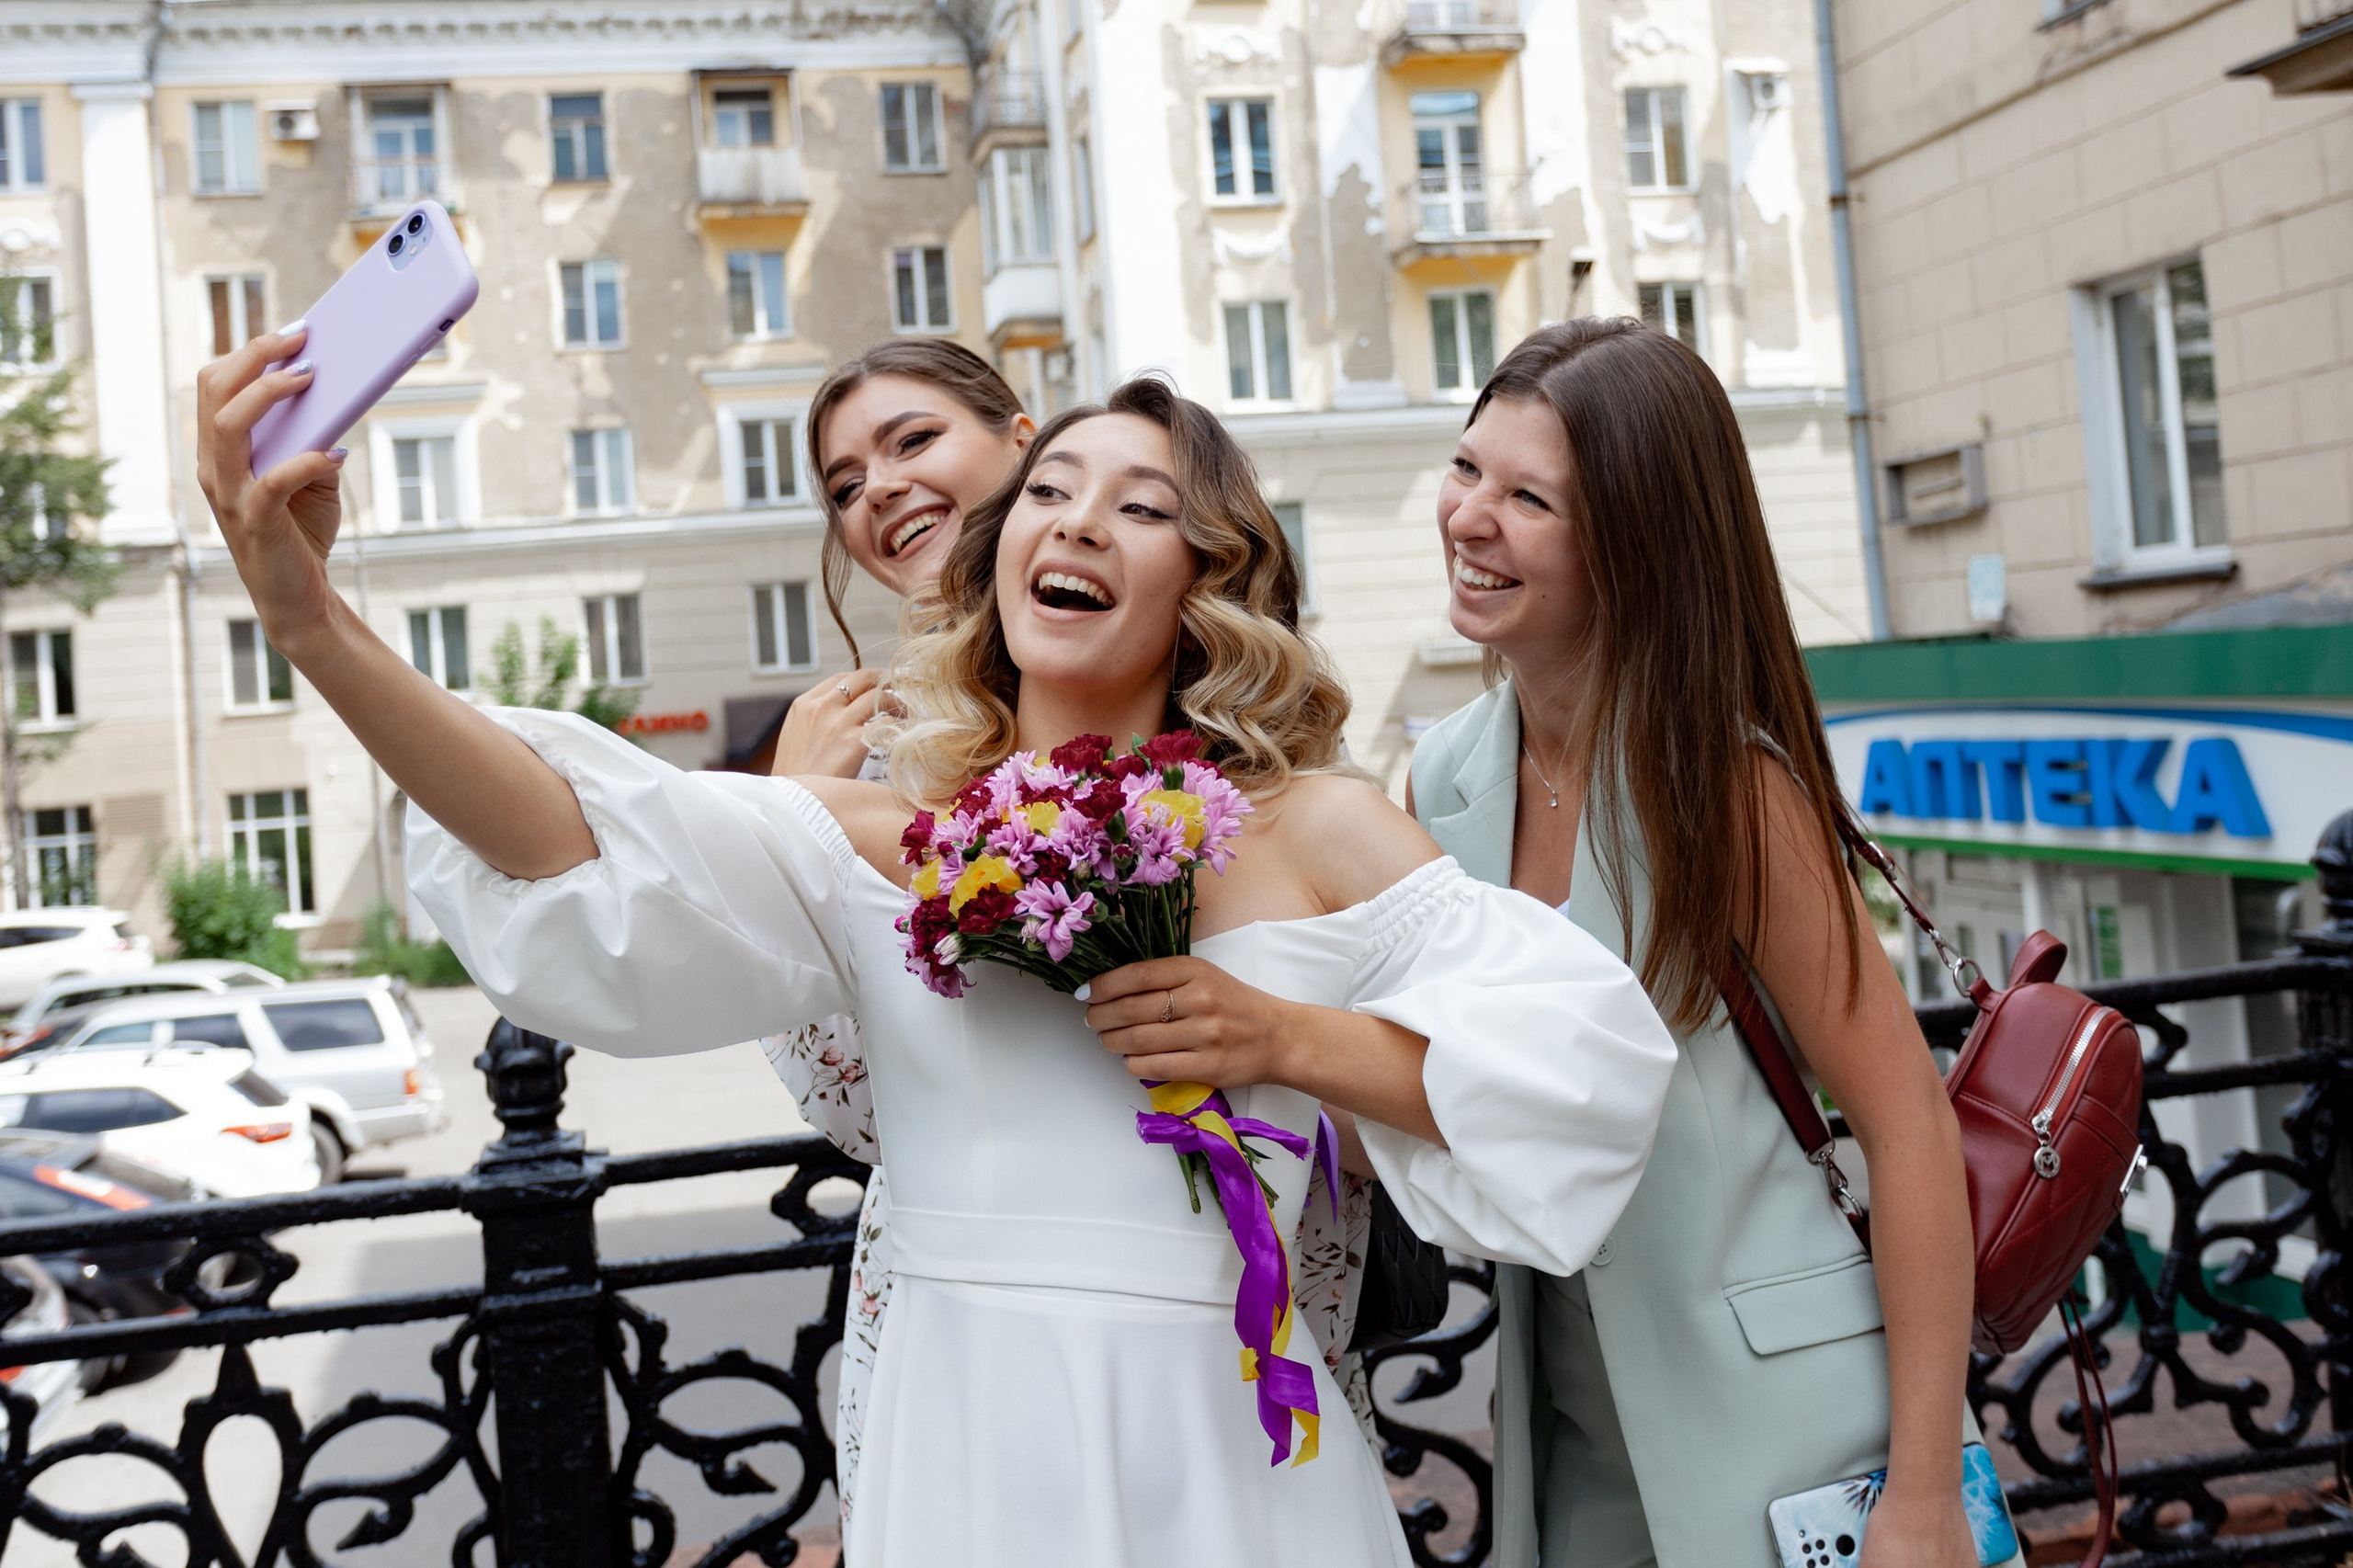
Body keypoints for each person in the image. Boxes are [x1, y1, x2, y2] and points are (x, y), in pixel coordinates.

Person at [196, 343, 1679, 1568]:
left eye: (1142, 506)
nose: (1079, 522)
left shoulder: (1319, 827)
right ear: (1004, 547)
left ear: (1205, 576)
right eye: (1050, 491)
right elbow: (570, 830)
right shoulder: (885, 831)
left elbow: (1585, 1069)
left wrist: (1275, 1038)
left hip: (1230, 1456)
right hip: (961, 1451)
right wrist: (311, 622)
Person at [1406, 318, 1989, 1568]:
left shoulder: (1723, 784)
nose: (1470, 517)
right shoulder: (1444, 779)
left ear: (1633, 542)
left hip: (1790, 1429)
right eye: (1466, 471)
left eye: (1528, 498)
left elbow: (1906, 1121)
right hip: (1568, 1436)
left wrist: (1928, 1492)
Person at [750, 342, 1033, 1515]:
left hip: (1203, 1240)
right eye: (845, 483)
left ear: (1024, 437)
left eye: (913, 441)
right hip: (959, 1273)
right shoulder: (860, 742)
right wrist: (789, 824)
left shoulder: (1173, 651)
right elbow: (851, 1104)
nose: (879, 492)